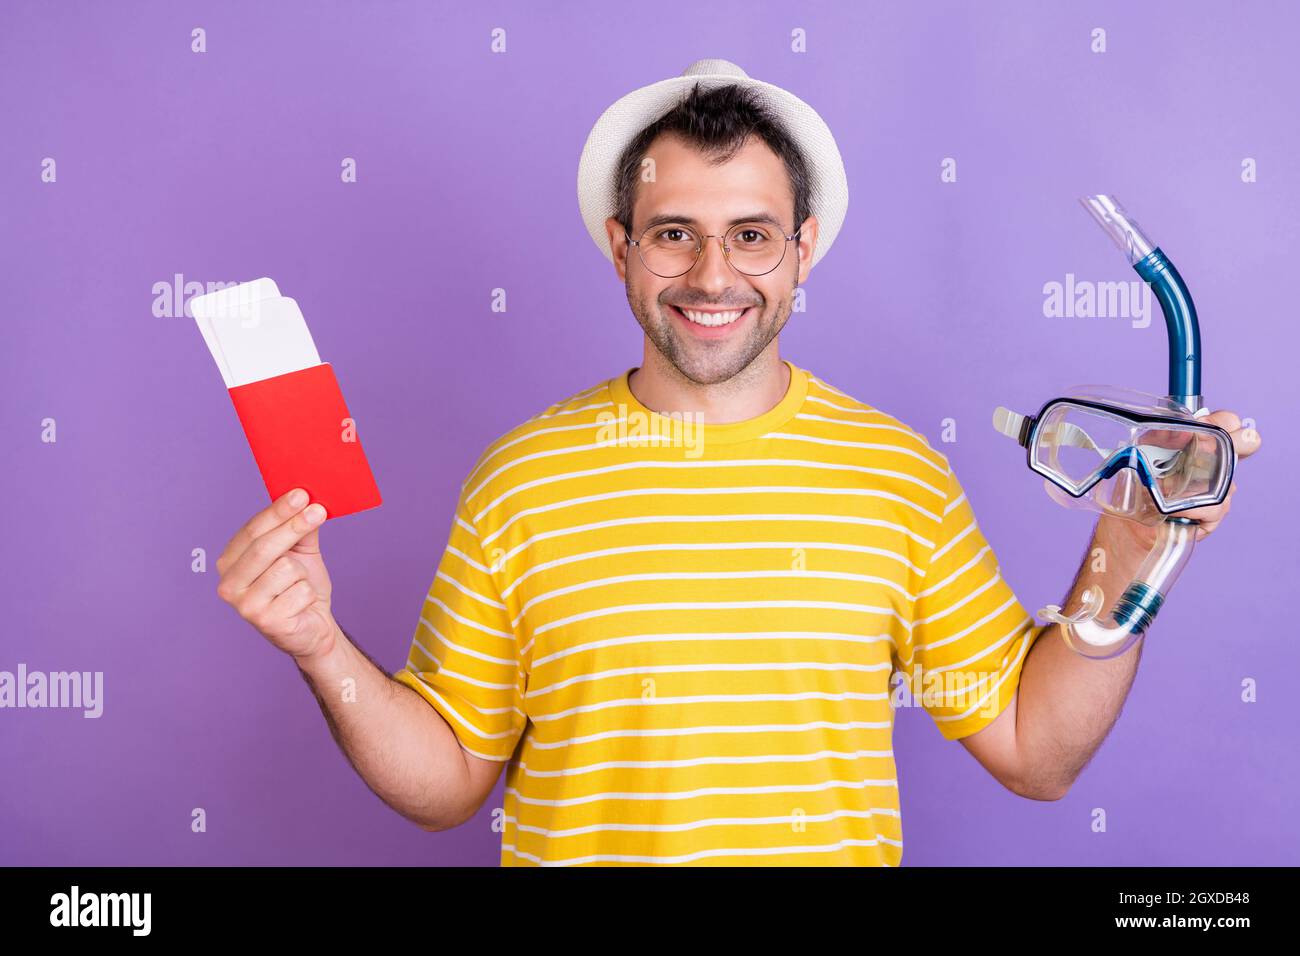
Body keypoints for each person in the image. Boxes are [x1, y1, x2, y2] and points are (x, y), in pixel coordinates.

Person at [214, 60, 1259, 866]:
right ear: (621, 246)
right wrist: (320, 648)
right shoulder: (519, 478)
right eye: (675, 233)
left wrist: (1123, 554)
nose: (713, 274)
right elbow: (446, 784)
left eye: (751, 235)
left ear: (802, 250)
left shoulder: (895, 477)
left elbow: (1036, 750)